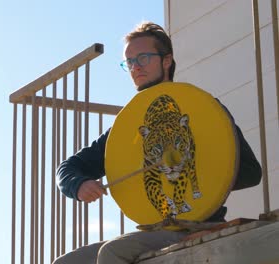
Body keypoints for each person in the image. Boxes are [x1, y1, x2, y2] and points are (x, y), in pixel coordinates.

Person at [53, 21, 262, 264]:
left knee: (113, 252)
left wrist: (200, 178)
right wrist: (78, 184)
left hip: (196, 225)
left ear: (166, 61)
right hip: (153, 231)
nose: (135, 67)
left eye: (143, 58)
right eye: (129, 61)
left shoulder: (203, 110)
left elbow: (251, 172)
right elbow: (67, 168)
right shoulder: (128, 126)